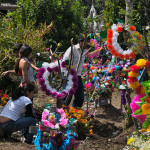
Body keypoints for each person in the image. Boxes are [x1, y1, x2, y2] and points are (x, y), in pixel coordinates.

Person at [62, 34, 90, 107]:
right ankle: (62, 113)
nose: (88, 45)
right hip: (68, 75)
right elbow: (65, 62)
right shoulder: (72, 49)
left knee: (80, 97)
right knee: (67, 96)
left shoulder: (84, 51)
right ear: (81, 42)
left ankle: (76, 113)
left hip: (77, 75)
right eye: (87, 42)